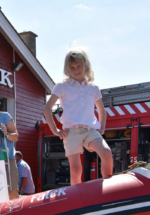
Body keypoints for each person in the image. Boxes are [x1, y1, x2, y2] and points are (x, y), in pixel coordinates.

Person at [43, 47, 113, 185]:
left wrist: (102, 127)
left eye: (79, 66)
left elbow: (102, 110)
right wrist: (55, 130)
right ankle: (76, 198)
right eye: (72, 67)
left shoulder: (93, 88)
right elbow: (47, 109)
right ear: (68, 69)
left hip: (90, 130)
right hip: (71, 132)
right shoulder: (62, 86)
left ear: (85, 66)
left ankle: (108, 187)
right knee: (75, 168)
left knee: (106, 153)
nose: (76, 70)